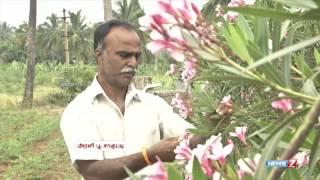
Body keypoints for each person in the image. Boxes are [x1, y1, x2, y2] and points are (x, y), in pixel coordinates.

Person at [60, 19, 231, 180]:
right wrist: (147, 156)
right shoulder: (79, 110)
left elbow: (188, 140)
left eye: (136, 56)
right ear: (99, 56)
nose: (133, 63)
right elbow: (92, 172)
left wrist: (211, 124)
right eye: (124, 55)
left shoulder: (153, 105)